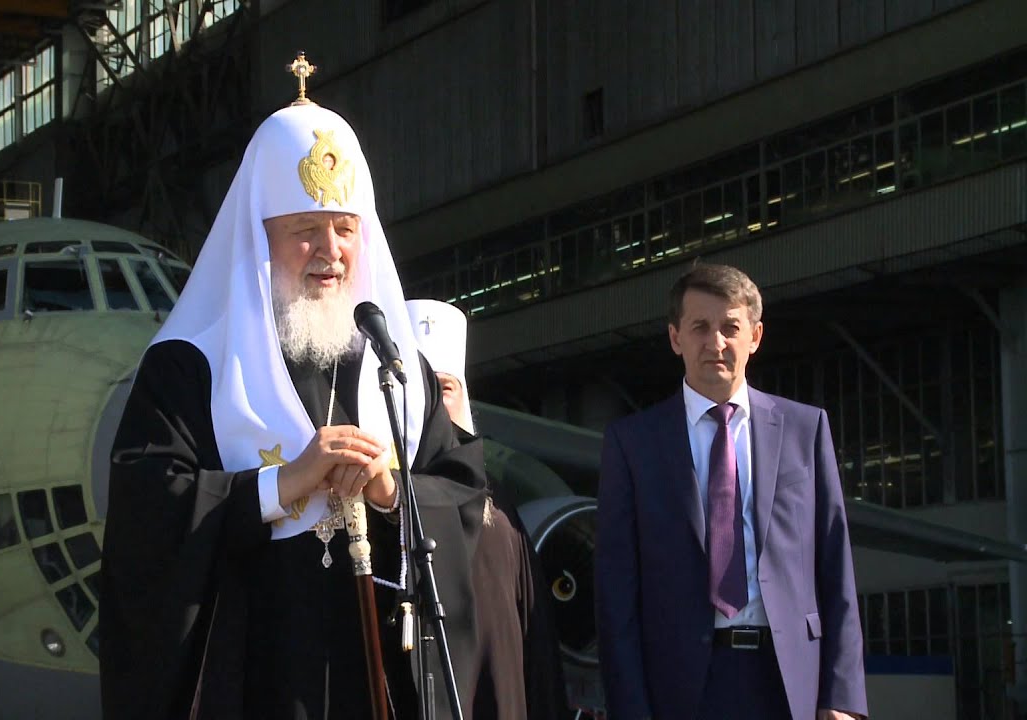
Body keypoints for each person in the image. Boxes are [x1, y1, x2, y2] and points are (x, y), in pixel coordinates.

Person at [98, 75, 488, 720]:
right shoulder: (190, 366)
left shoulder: (397, 366)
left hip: (377, 678)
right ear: (259, 238)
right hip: (254, 676)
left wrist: (392, 491)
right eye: (306, 229)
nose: (330, 252)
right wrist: (281, 485)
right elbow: (145, 519)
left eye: (345, 228)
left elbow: (466, 492)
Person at [593, 263, 868, 720]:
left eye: (730, 328)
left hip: (788, 681)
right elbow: (615, 592)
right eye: (700, 327)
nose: (716, 342)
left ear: (755, 336)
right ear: (675, 338)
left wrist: (841, 696)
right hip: (678, 687)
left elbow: (835, 564)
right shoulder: (632, 444)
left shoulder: (805, 429)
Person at [406, 298, 568, 720]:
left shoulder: (501, 506)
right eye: (419, 390)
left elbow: (535, 639)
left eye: (444, 389)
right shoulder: (379, 496)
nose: (432, 406)